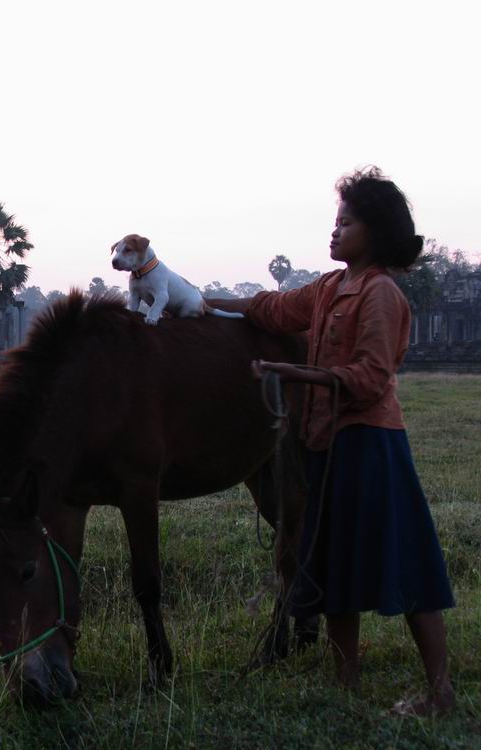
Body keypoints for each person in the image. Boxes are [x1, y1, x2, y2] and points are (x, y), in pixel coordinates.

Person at [211, 166, 455, 716]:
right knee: (334, 564)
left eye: (347, 223)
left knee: (409, 562)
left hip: (372, 444)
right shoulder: (327, 289)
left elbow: (370, 377)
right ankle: (345, 686)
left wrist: (292, 374)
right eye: (335, 221)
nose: (335, 231)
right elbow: (271, 309)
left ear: (377, 231)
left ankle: (440, 690)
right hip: (325, 443)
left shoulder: (382, 295)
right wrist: (198, 300)